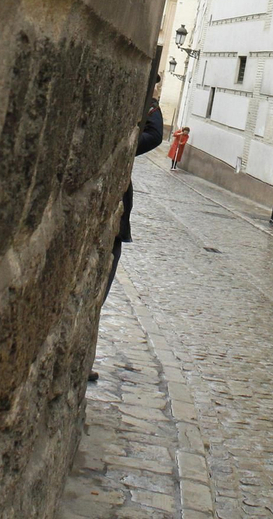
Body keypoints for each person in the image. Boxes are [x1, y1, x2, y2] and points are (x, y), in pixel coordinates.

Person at [92, 76, 163, 383]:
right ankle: (83, 361)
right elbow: (156, 135)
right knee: (98, 290)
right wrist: (153, 102)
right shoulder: (128, 130)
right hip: (112, 220)